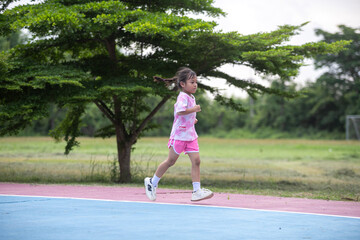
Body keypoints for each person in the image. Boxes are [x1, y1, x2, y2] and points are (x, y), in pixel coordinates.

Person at [144, 67, 214, 202]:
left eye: (196, 82)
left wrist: (192, 120)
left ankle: (196, 191)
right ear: (182, 84)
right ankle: (152, 183)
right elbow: (180, 111)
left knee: (197, 161)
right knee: (170, 161)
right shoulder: (182, 96)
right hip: (179, 136)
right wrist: (195, 109)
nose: (195, 85)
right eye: (192, 82)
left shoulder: (191, 97)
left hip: (191, 136)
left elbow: (185, 116)